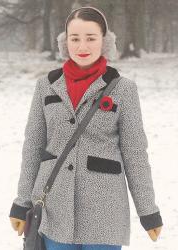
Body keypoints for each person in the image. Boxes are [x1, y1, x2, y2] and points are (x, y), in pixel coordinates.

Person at [9, 6, 163, 250]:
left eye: (91, 38)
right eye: (75, 38)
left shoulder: (123, 89)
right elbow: (33, 147)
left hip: (105, 211)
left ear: (104, 41)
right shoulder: (46, 86)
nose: (82, 46)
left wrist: (148, 210)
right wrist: (22, 202)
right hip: (54, 209)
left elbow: (135, 153)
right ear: (64, 42)